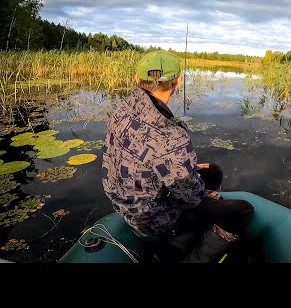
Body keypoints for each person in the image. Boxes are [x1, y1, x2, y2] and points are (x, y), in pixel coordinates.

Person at [101, 50, 254, 262]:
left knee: (212, 171)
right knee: (243, 211)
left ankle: (185, 235)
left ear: (137, 79)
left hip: (122, 200)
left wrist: (188, 175)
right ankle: (185, 256)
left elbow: (144, 156)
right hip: (150, 217)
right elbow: (190, 198)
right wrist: (197, 188)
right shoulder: (170, 135)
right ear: (179, 81)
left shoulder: (122, 109)